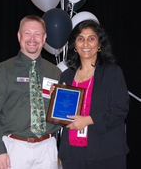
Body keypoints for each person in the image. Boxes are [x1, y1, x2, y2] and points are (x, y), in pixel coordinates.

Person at [0, 15, 62, 169]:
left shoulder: (55, 72)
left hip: (47, 148)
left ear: (44, 38)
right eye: (27, 33)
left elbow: (61, 115)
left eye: (37, 34)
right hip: (14, 149)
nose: (32, 38)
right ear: (19, 36)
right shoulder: (3, 70)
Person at [55, 19, 129, 169]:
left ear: (100, 45)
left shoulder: (112, 72)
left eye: (91, 38)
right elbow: (62, 115)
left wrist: (88, 120)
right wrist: (55, 98)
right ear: (74, 45)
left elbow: (120, 109)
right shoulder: (67, 76)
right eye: (80, 39)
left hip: (105, 152)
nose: (85, 44)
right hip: (72, 153)